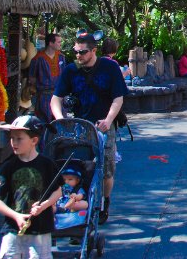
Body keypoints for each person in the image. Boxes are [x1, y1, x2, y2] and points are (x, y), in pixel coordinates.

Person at [50, 32, 128, 224]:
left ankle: (104, 201)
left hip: (103, 124)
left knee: (107, 168)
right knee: (79, 166)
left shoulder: (109, 67)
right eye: (76, 52)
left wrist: (109, 120)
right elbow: (56, 98)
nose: (78, 56)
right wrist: (60, 120)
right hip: (79, 126)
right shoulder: (71, 70)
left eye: (83, 52)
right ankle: (80, 201)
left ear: (94, 50)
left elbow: (118, 97)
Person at [0, 115, 63, 259]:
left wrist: (43, 205)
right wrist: (16, 216)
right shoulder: (8, 167)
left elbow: (58, 192)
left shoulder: (47, 165)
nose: (13, 143)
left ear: (34, 140)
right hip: (13, 229)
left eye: (19, 138)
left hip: (40, 230)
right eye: (12, 138)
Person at [28, 33, 66, 124]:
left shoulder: (61, 57)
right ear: (51, 43)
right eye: (58, 42)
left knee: (61, 122)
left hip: (59, 95)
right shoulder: (37, 58)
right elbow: (32, 78)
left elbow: (65, 75)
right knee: (45, 123)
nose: (60, 44)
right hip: (44, 96)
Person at [54, 163, 88, 230]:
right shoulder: (59, 188)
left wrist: (76, 197)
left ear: (77, 180)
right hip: (59, 206)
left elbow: (82, 196)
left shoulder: (78, 189)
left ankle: (68, 207)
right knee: (49, 206)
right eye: (64, 180)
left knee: (85, 204)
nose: (66, 182)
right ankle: (53, 217)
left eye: (70, 179)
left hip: (72, 207)